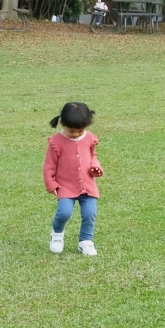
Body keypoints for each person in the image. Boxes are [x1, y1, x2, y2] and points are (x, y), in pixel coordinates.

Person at [44, 102, 104, 255]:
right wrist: (51, 183)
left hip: (87, 185)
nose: (76, 134)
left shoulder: (89, 138)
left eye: (80, 130)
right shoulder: (56, 142)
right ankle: (57, 235)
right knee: (64, 212)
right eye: (71, 131)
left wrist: (95, 167)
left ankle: (86, 241)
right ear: (62, 124)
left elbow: (92, 156)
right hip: (65, 186)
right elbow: (49, 165)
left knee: (89, 214)